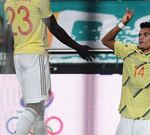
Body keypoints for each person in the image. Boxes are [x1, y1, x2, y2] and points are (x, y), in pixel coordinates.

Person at [3, 0, 95, 134]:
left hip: (19, 56)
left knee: (39, 109)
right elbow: (55, 28)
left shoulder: (8, 3)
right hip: (35, 55)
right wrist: (78, 47)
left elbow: (9, 35)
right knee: (34, 107)